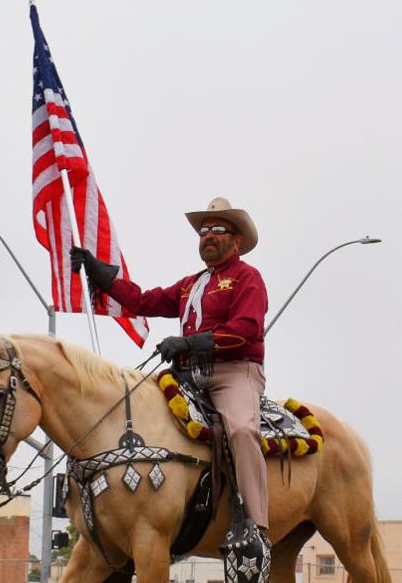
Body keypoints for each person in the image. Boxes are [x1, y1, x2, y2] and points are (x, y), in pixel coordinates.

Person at [70, 198, 270, 537]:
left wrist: (192, 343)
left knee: (241, 431)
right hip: (189, 375)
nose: (209, 235)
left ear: (237, 241)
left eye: (218, 229)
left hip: (234, 372)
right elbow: (143, 301)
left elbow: (247, 328)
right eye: (204, 230)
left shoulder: (247, 277)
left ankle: (256, 525)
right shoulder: (191, 284)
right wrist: (102, 275)